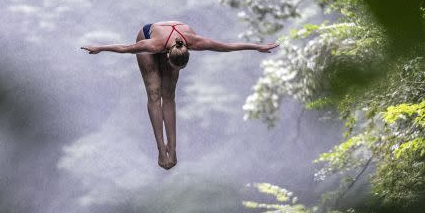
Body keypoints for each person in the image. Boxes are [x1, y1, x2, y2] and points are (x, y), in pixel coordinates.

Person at [81, 21, 278, 169]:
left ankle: (172, 148)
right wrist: (99, 48)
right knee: (154, 93)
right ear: (167, 55)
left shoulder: (195, 42)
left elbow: (226, 46)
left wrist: (256, 46)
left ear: (188, 52)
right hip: (149, 33)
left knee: (169, 95)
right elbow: (125, 48)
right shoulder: (153, 45)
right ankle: (161, 149)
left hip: (175, 35)